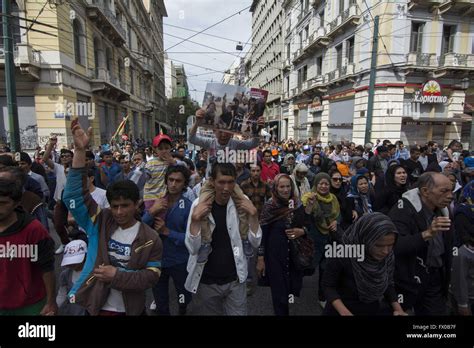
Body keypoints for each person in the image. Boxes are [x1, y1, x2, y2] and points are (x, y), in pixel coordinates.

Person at [63, 118, 163, 316]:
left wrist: (117, 275)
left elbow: (151, 277)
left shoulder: (151, 238)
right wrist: (80, 151)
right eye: (115, 206)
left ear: (137, 204)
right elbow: (73, 197)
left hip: (131, 309)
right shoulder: (99, 221)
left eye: (125, 206)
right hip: (95, 305)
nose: (119, 212)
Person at [184, 163, 262, 315]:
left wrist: (253, 214)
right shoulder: (198, 205)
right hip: (206, 281)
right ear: (212, 181)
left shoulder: (242, 202)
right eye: (221, 182)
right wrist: (195, 220)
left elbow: (256, 242)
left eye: (230, 182)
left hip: (235, 280)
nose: (226, 188)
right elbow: (192, 248)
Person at [388, 172, 454, 315]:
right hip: (409, 281)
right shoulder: (402, 209)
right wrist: (427, 234)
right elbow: (395, 246)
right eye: (444, 191)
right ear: (425, 191)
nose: (450, 196)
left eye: (451, 190)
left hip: (436, 278)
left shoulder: (444, 210)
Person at [321, 213, 407, 316]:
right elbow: (328, 286)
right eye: (379, 245)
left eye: (390, 245)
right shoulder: (343, 253)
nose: (385, 251)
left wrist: (398, 309)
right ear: (365, 239)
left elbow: (388, 282)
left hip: (370, 309)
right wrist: (344, 312)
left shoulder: (388, 257)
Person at [0, 178, 57, 315]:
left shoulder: (34, 230)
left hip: (31, 305)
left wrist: (50, 302)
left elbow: (47, 269)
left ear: (16, 203)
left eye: (3, 203)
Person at [257, 174, 312, 315]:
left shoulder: (296, 203)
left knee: (291, 288)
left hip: (293, 254)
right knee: (279, 293)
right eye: (282, 186)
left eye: (288, 186)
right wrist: (261, 258)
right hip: (275, 255)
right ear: (275, 188)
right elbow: (262, 234)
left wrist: (302, 231)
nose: (285, 190)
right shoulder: (270, 206)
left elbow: (306, 225)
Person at [143, 166, 193, 316]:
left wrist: (168, 232)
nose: (173, 184)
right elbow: (140, 228)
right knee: (160, 301)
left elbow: (192, 239)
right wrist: (152, 212)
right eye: (170, 180)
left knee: (184, 295)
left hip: (180, 260)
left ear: (184, 184)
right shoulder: (156, 202)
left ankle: (183, 308)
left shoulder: (189, 207)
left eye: (178, 181)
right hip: (156, 260)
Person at [306, 173, 341, 308]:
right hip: (313, 239)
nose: (324, 186)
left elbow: (338, 215)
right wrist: (309, 205)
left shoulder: (333, 199)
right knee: (308, 267)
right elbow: (304, 217)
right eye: (321, 183)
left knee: (325, 269)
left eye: (326, 183)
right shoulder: (309, 197)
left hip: (329, 238)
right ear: (316, 184)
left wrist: (336, 222)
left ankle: (323, 295)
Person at [43, 138, 74, 254]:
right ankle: (65, 242)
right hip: (60, 201)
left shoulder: (77, 169)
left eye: (67, 156)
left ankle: (78, 243)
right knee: (58, 224)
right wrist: (51, 145)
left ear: (72, 157)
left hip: (74, 201)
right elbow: (45, 159)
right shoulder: (58, 168)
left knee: (75, 224)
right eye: (63, 156)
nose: (65, 158)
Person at [56, 239, 88, 315]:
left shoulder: (93, 273)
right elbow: (62, 293)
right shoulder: (65, 275)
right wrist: (56, 307)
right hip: (73, 310)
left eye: (75, 261)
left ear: (86, 257)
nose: (72, 264)